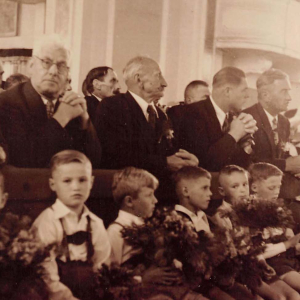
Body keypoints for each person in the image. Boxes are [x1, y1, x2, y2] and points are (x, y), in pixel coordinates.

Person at [0, 35, 101, 168]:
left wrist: (85, 122)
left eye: (61, 65)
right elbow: (23, 159)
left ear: (68, 73)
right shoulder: (7, 102)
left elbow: (94, 162)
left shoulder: (70, 104)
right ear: (31, 66)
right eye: (46, 62)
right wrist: (61, 118)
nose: (54, 71)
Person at [94, 56, 198, 177]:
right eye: (158, 75)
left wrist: (187, 161)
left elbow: (169, 153)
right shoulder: (113, 106)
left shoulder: (161, 115)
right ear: (138, 79)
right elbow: (114, 155)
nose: (164, 83)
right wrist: (164, 162)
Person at [33, 150, 111, 300]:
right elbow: (45, 275)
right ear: (53, 184)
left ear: (92, 182)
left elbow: (103, 265)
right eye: (67, 181)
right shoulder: (47, 222)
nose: (76, 187)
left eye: (82, 180)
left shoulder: (95, 223)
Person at [215, 165, 300, 300]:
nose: (242, 190)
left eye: (244, 184)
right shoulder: (222, 216)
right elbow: (240, 250)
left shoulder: (251, 208)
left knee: (293, 296)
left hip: (262, 264)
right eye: (235, 186)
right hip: (243, 270)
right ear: (222, 191)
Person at [107, 167, 183, 284]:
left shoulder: (150, 227)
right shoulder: (115, 231)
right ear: (129, 201)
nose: (155, 200)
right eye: (149, 195)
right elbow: (109, 278)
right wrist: (142, 279)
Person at [179, 67, 257, 172]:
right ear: (227, 91)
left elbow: (240, 166)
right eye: (244, 90)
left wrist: (246, 145)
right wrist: (234, 134)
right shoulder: (192, 113)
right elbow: (204, 164)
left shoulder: (235, 117)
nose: (247, 95)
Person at [249, 162, 300, 293]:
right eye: (272, 188)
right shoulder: (251, 212)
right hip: (276, 263)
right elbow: (258, 251)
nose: (276, 192)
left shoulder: (277, 207)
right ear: (254, 187)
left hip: (290, 258)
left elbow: (288, 235)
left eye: (278, 187)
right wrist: (289, 243)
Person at [244, 69, 300, 176]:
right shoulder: (247, 118)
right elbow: (247, 163)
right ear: (265, 95)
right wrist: (285, 165)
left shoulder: (284, 122)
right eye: (284, 91)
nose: (289, 97)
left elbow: (282, 155)